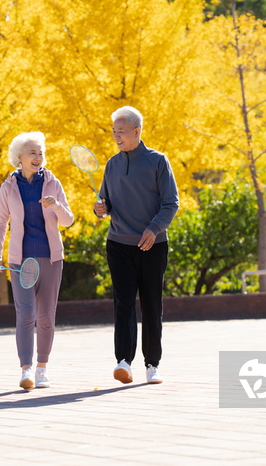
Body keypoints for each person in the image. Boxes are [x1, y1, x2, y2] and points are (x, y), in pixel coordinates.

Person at [93, 106, 179, 385]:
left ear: (137, 131)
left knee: (152, 304)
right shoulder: (111, 164)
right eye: (114, 132)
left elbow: (171, 203)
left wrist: (154, 230)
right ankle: (123, 362)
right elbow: (106, 205)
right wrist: (100, 209)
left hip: (153, 245)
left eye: (121, 131)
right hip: (118, 244)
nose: (116, 136)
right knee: (124, 303)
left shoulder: (158, 161)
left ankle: (152, 365)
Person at [0, 132, 74, 390]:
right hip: (19, 261)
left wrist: (56, 206)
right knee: (26, 314)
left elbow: (68, 220)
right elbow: (0, 223)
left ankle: (42, 369)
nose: (38, 157)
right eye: (32, 153)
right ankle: (25, 369)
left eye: (41, 153)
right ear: (19, 158)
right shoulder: (8, 187)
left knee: (46, 316)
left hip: (50, 259)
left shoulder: (52, 183)